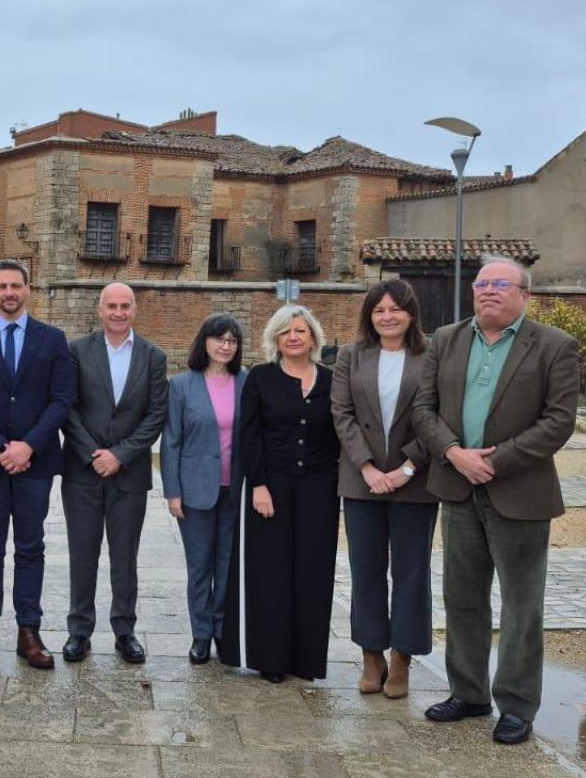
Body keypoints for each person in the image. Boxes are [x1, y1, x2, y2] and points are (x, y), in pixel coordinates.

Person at [413, 256, 578, 746]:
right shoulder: (446, 339)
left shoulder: (554, 345)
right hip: (458, 488)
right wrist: (453, 453)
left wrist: (496, 461)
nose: (487, 291)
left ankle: (517, 705)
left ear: (525, 295)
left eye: (500, 284)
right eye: (482, 284)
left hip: (519, 493)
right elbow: (423, 409)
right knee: (462, 597)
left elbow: (558, 421)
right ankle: (468, 693)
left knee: (521, 606)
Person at [0, 259, 75, 671]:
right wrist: (0, 447)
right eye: (2, 285)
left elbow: (62, 399)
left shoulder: (53, 339)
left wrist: (29, 447)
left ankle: (29, 632)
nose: (9, 292)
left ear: (28, 289)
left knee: (30, 547)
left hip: (35, 464)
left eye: (16, 285)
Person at [331, 279, 436, 699]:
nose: (387, 317)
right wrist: (368, 467)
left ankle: (402, 661)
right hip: (362, 482)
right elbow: (342, 413)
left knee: (411, 573)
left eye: (396, 309)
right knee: (366, 571)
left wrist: (408, 466)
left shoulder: (430, 357)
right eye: (379, 310)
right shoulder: (351, 356)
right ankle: (371, 657)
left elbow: (438, 414)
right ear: (369, 316)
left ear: (411, 314)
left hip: (416, 481)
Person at [226, 304, 338, 683]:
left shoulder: (331, 380)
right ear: (275, 338)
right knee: (270, 573)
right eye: (286, 331)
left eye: (301, 331)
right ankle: (270, 659)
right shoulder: (261, 378)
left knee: (312, 573)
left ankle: (305, 660)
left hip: (319, 489)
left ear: (313, 338)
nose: (293, 337)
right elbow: (249, 435)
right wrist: (258, 485)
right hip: (270, 487)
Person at [59, 283, 168, 665]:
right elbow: (67, 408)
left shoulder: (153, 357)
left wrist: (119, 455)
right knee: (82, 554)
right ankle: (79, 632)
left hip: (130, 474)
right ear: (100, 310)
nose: (118, 313)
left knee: (125, 556)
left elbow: (156, 414)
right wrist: (94, 455)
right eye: (112, 306)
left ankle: (125, 631)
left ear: (135, 310)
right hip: (82, 473)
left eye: (125, 306)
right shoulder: (76, 351)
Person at [161, 313, 246, 666]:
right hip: (195, 490)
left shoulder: (247, 382)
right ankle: (200, 635)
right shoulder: (182, 385)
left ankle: (224, 633)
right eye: (219, 339)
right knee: (200, 567)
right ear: (205, 342)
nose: (225, 346)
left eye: (232, 340)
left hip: (235, 490)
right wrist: (172, 491)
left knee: (228, 566)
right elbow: (171, 440)